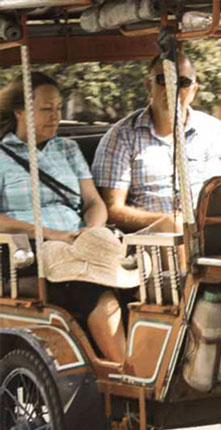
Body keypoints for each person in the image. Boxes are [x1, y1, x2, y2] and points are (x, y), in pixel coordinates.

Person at [0, 72, 127, 363]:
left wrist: (90, 230)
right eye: (46, 109)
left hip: (79, 242)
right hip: (29, 253)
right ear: (19, 111)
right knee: (96, 291)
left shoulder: (67, 149)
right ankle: (123, 371)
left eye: (58, 108)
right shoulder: (2, 157)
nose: (55, 116)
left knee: (138, 278)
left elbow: (94, 202)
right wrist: (50, 233)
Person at [92, 53, 221, 233]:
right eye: (163, 79)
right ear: (148, 85)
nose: (172, 89)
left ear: (193, 91)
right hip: (153, 245)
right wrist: (169, 222)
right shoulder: (121, 137)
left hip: (215, 234)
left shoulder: (218, 133)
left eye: (182, 83)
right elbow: (112, 210)